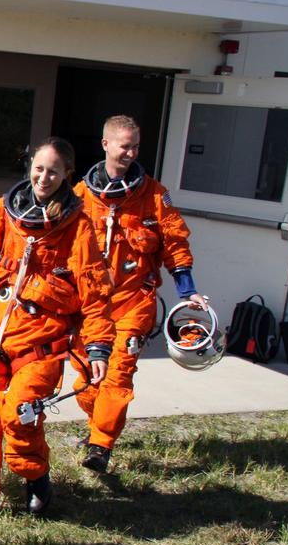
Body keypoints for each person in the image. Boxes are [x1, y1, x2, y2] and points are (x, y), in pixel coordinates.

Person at [0, 137, 113, 520]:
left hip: (39, 342)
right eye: (39, 168)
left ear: (67, 175)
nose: (44, 176)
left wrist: (98, 345)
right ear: (29, 167)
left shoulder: (77, 225)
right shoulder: (2, 212)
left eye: (54, 171)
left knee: (19, 415)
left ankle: (36, 478)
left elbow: (95, 289)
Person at [72, 115, 206, 473]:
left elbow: (175, 244)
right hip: (90, 307)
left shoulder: (155, 196)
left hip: (134, 303)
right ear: (106, 145)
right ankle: (95, 424)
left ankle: (101, 445)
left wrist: (187, 291)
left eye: (135, 146)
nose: (130, 152)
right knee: (88, 379)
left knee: (118, 375)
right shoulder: (81, 197)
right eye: (124, 145)